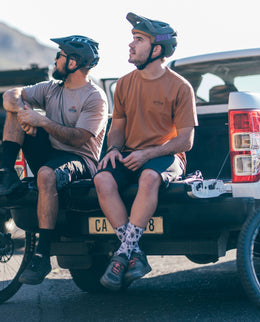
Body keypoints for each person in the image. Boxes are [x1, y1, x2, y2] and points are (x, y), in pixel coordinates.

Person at [0, 35, 108, 285]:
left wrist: (40, 121)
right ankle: (7, 174)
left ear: (73, 62)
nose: (55, 59)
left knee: (45, 174)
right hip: (51, 150)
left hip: (81, 159)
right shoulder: (51, 88)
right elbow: (11, 95)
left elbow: (78, 139)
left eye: (60, 55)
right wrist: (23, 115)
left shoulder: (94, 97)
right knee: (14, 111)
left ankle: (42, 256)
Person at [94, 13, 198, 291]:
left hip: (167, 156)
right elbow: (118, 126)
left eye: (138, 40)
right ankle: (134, 252)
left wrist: (148, 154)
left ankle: (122, 254)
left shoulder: (180, 87)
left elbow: (185, 141)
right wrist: (114, 148)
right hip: (131, 154)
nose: (131, 45)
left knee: (149, 178)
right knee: (102, 179)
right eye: (132, 39)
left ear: (157, 49)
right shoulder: (125, 83)